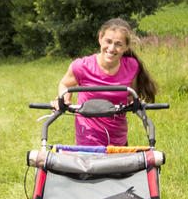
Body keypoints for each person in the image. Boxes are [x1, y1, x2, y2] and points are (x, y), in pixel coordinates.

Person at [53, 18, 158, 146]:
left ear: (126, 47)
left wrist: (134, 102)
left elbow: (131, 94)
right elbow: (65, 84)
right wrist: (64, 99)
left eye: (118, 44)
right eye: (108, 41)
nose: (112, 48)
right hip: (88, 136)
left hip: (118, 137)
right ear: (100, 39)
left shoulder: (131, 66)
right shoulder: (82, 66)